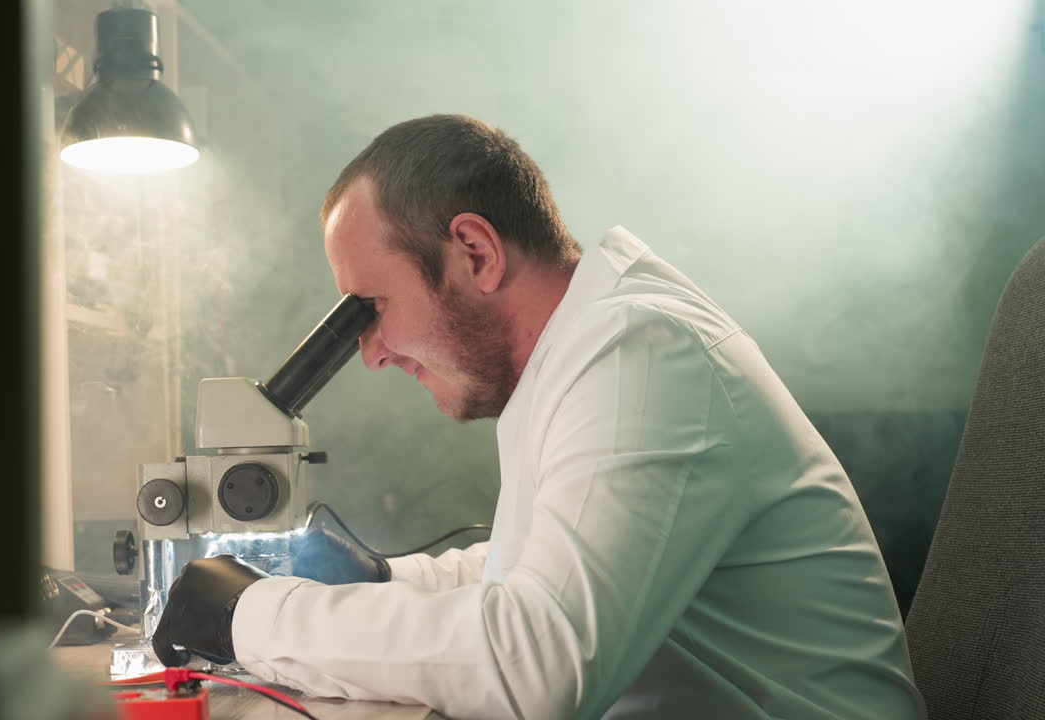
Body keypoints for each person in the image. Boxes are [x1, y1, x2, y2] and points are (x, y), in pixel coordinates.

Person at [152, 114, 927, 719]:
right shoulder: (584, 353)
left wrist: (251, 617)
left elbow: (538, 664)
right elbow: (539, 569)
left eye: (373, 307)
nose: (372, 354)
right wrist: (385, 577)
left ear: (476, 253)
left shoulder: (640, 353)